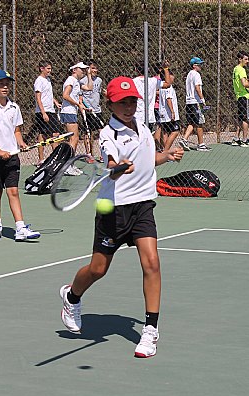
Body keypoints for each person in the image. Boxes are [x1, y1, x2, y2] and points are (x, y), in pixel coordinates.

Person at [59, 76, 184, 358]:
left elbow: (148, 160)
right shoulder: (107, 135)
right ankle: (72, 296)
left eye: (132, 101)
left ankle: (151, 330)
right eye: (121, 102)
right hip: (113, 209)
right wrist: (117, 168)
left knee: (152, 262)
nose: (128, 107)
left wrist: (167, 155)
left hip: (142, 205)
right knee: (98, 270)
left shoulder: (142, 128)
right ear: (110, 104)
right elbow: (112, 163)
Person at [0, 70, 40, 242]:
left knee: (13, 191)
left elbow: (16, 131)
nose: (5, 87)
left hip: (12, 157)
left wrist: (21, 143)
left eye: (7, 84)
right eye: (0, 84)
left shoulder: (15, 107)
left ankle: (20, 227)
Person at [33, 60, 62, 165]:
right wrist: (43, 113)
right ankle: (41, 160)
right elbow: (38, 97)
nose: (50, 70)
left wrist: (55, 102)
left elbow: (49, 94)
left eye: (50, 68)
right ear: (42, 68)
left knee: (55, 134)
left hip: (51, 110)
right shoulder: (39, 81)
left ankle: (56, 158)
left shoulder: (48, 80)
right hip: (43, 111)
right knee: (43, 134)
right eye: (48, 68)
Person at [181, 57, 211, 152]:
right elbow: (197, 87)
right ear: (194, 66)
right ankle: (201, 144)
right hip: (195, 102)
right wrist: (202, 99)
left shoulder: (189, 74)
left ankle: (184, 139)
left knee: (192, 123)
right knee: (199, 123)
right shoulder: (196, 74)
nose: (201, 66)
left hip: (189, 102)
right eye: (199, 64)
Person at [61, 62, 93, 151]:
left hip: (72, 112)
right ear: (74, 70)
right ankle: (69, 161)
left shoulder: (77, 82)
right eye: (81, 69)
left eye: (84, 70)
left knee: (74, 138)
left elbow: (89, 88)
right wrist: (78, 105)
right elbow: (65, 95)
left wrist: (89, 75)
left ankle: (70, 161)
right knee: (74, 138)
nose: (83, 71)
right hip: (68, 112)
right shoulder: (70, 80)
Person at [133, 61, 171, 132]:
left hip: (136, 116)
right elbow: (168, 84)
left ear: (136, 69)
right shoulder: (153, 81)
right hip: (149, 117)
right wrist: (165, 68)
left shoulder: (132, 82)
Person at [80, 59, 106, 161]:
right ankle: (89, 154)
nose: (95, 70)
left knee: (101, 131)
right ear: (88, 69)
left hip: (97, 110)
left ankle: (102, 154)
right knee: (88, 133)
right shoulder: (82, 81)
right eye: (92, 68)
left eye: (96, 68)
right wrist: (85, 107)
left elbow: (100, 92)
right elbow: (80, 97)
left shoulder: (99, 80)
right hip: (87, 111)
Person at [231, 51, 249, 147]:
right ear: (240, 59)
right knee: (245, 119)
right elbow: (244, 84)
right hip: (244, 97)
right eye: (245, 59)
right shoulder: (241, 70)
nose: (247, 61)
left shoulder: (235, 69)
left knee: (241, 118)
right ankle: (244, 140)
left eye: (248, 59)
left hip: (239, 96)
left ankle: (236, 138)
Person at [158, 71, 181, 151]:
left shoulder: (161, 86)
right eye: (171, 76)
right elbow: (168, 100)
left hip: (163, 113)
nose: (173, 77)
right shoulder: (168, 87)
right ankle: (166, 151)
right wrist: (172, 112)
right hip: (168, 114)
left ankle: (165, 150)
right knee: (175, 131)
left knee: (165, 133)